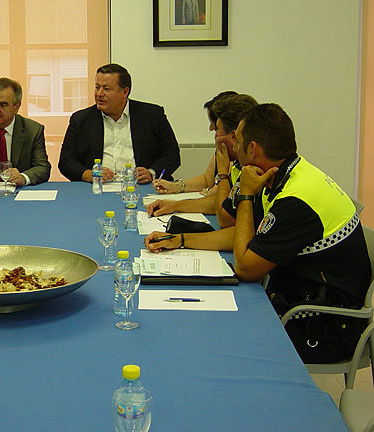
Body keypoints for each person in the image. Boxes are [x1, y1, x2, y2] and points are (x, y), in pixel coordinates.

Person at [232, 104, 370, 362]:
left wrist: (245, 195)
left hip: (326, 325)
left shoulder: (296, 200)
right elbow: (246, 237)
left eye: (237, 142)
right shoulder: (293, 174)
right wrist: (181, 240)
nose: (234, 148)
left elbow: (246, 268)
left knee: (228, 335)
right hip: (308, 300)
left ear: (252, 149)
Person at [58, 63, 180, 184]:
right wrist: (88, 174)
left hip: (140, 186)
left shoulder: (152, 115)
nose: (99, 94)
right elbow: (66, 161)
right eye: (97, 87)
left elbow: (172, 154)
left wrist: (151, 172)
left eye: (106, 89)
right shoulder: (80, 119)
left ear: (125, 92)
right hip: (97, 187)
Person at [147, 94, 258, 218]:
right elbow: (217, 201)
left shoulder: (253, 171)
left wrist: (223, 174)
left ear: (234, 136)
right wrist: (173, 205)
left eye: (217, 130)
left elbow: (224, 216)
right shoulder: (238, 164)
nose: (215, 135)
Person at [153, 90, 237, 195]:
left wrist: (209, 192)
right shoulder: (222, 149)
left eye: (215, 126)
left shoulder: (236, 159)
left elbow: (217, 193)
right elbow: (207, 179)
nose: (211, 128)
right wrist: (175, 187)